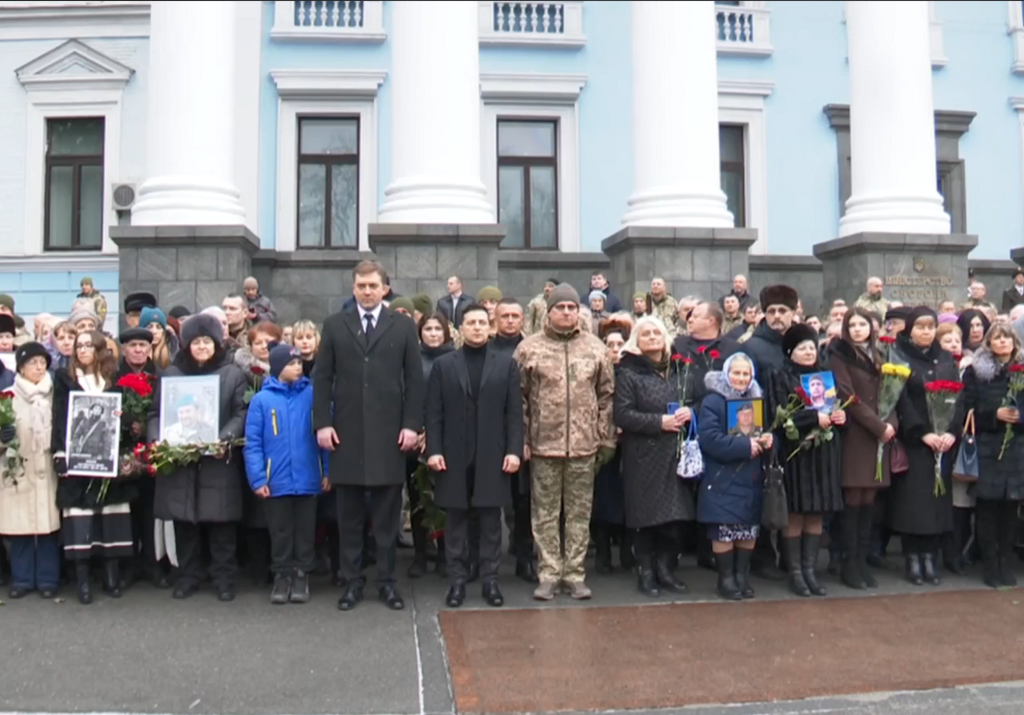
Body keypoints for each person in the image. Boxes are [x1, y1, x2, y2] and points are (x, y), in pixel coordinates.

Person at [314, 260, 424, 613]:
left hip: (389, 437)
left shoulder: (403, 327)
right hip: (345, 436)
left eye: (372, 286)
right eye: (360, 285)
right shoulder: (334, 325)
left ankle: (388, 583)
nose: (366, 291)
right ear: (353, 288)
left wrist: (412, 424)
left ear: (384, 289)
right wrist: (322, 423)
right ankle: (352, 582)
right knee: (349, 519)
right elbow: (322, 378)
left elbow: (414, 380)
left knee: (387, 519)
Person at [514, 283, 615, 601]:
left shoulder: (596, 348)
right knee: (543, 513)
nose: (567, 312)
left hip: (584, 446)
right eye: (561, 307)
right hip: (544, 445)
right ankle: (548, 573)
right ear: (549, 310)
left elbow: (606, 396)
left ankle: (574, 573)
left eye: (572, 307)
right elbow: (520, 399)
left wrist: (605, 437)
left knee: (578, 513)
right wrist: (523, 438)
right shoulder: (529, 348)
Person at [426, 304, 522, 608]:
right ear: (461, 328)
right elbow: (434, 413)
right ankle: (457, 580)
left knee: (491, 520)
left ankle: (490, 580)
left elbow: (515, 414)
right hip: (453, 454)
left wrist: (514, 451)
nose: (477, 327)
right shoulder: (444, 365)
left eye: (482, 322)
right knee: (455, 519)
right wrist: (434, 450)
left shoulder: (506, 365)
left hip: (492, 454)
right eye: (471, 322)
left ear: (490, 326)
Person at [148, 314, 248, 601]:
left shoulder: (232, 375)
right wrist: (157, 440)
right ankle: (188, 576)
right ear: (186, 344)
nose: (202, 346)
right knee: (184, 522)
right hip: (181, 462)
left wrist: (225, 437)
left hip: (218, 460)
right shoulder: (172, 376)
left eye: (207, 341)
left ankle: (224, 578)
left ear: (217, 344)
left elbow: (241, 412)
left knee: (221, 525)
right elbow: (157, 414)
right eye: (196, 341)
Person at [614, 315, 695, 597]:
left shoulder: (680, 369)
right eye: (645, 333)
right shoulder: (628, 373)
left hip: (675, 454)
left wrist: (690, 411)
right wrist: (658, 422)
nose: (651, 337)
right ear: (636, 340)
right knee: (646, 518)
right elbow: (622, 414)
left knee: (674, 517)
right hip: (644, 455)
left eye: (656, 333)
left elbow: (695, 399)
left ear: (665, 338)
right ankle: (645, 572)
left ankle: (665, 569)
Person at [52, 329, 134, 605]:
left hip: (107, 459)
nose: (82, 350)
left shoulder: (115, 382)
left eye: (88, 345)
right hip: (78, 459)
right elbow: (59, 416)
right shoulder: (66, 379)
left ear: (99, 350)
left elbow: (127, 421)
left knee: (111, 517)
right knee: (80, 520)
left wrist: (123, 421)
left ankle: (111, 576)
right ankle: (83, 580)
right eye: (79, 346)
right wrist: (59, 452)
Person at [767, 324, 845, 597]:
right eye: (802, 348)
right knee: (796, 512)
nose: (809, 352)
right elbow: (776, 416)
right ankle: (796, 572)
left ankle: (811, 570)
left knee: (816, 511)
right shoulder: (779, 376)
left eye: (812, 347)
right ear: (790, 351)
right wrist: (811, 418)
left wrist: (839, 416)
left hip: (823, 453)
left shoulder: (826, 376)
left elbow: (835, 406)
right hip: (796, 453)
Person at [244, 342, 326, 605]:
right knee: (280, 531)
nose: (297, 367)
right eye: (291, 364)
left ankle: (301, 574)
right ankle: (282, 575)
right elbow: (253, 442)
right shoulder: (261, 400)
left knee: (304, 530)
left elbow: (324, 435)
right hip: (276, 479)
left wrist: (328, 470)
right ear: (278, 367)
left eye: (300, 363)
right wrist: (258, 477)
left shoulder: (312, 395)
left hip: (307, 477)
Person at [889, 307, 957, 586]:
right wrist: (922, 433)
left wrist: (950, 432)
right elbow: (900, 398)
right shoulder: (900, 356)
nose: (926, 331)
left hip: (942, 443)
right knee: (913, 503)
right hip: (915, 441)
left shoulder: (945, 357)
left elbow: (957, 397)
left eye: (930, 326)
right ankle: (913, 558)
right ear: (909, 329)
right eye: (920, 326)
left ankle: (930, 556)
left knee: (936, 502)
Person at [830, 308, 897, 590]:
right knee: (853, 500)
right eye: (852, 325)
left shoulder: (879, 356)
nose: (858, 329)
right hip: (856, 435)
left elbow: (892, 393)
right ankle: (848, 563)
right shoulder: (839, 355)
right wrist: (879, 426)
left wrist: (891, 423)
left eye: (863, 324)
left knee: (869, 500)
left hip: (878, 436)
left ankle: (861, 559)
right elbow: (848, 396)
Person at [698, 353, 772, 600]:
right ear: (726, 374)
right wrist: (744, 447)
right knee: (724, 529)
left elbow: (768, 431)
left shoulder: (757, 400)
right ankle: (726, 578)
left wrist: (770, 440)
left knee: (748, 529)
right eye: (736, 373)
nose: (741, 378)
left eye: (746, 374)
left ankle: (742, 576)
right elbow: (709, 439)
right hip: (722, 475)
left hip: (750, 477)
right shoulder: (713, 401)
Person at [957, 324, 1024, 588]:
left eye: (1007, 337)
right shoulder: (976, 372)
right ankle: (990, 562)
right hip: (987, 445)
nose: (1003, 341)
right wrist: (994, 417)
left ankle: (1006, 560)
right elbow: (967, 408)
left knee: (1011, 508)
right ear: (989, 343)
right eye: (997, 337)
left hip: (1017, 446)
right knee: (987, 507)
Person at [0, 342, 60, 599]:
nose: (38, 367)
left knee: (48, 529)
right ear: (21, 367)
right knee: (20, 529)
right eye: (32, 363)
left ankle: (48, 579)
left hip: (47, 468)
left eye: (42, 362)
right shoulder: (7, 397)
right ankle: (22, 579)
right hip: (18, 469)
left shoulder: (55, 395)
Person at [116, 327, 168, 588]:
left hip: (152, 451)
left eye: (143, 346)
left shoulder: (160, 376)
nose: (138, 350)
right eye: (133, 345)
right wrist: (127, 423)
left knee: (150, 510)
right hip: (123, 452)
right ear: (124, 349)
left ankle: (152, 563)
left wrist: (148, 429)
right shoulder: (113, 377)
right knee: (127, 510)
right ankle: (129, 565)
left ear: (150, 349)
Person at [490, 299, 536, 581]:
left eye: (514, 316)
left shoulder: (532, 348)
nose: (509, 320)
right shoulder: (487, 349)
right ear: (495, 319)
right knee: (487, 501)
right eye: (504, 316)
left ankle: (524, 558)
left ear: (522, 319)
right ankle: (484, 560)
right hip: (491, 434)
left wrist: (526, 437)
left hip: (525, 435)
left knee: (523, 502)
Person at [406, 311, 455, 580]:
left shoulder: (455, 359)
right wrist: (418, 429)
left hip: (448, 441)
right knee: (418, 500)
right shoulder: (412, 360)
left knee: (446, 499)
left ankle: (446, 553)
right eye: (428, 329)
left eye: (438, 329)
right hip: (416, 440)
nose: (433, 333)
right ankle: (420, 554)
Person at [592, 316, 634, 576]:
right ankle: (603, 552)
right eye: (611, 344)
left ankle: (628, 552)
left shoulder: (633, 372)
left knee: (629, 498)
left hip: (630, 444)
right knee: (603, 498)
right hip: (603, 442)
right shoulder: (598, 372)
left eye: (621, 344)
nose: (616, 349)